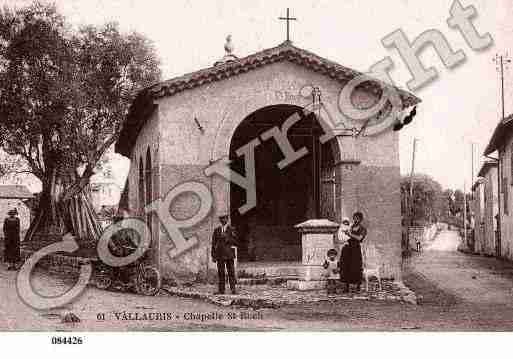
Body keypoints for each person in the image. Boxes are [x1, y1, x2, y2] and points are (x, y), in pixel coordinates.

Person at [339, 211, 367, 293]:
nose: (356, 220)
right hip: (348, 248)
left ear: (361, 219)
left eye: (358, 218)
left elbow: (359, 238)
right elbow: (344, 234)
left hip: (356, 249)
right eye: (354, 218)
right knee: (346, 266)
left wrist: (350, 234)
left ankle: (357, 286)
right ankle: (346, 286)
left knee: (356, 266)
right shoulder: (350, 226)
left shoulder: (362, 229)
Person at [211, 212, 238, 295]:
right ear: (220, 220)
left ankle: (233, 289)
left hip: (229, 254)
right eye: (221, 218)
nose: (223, 220)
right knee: (221, 273)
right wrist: (213, 255)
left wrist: (227, 238)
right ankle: (221, 290)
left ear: (227, 219)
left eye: (225, 218)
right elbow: (213, 243)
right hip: (220, 255)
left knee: (231, 272)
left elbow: (236, 242)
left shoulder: (232, 229)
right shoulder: (216, 230)